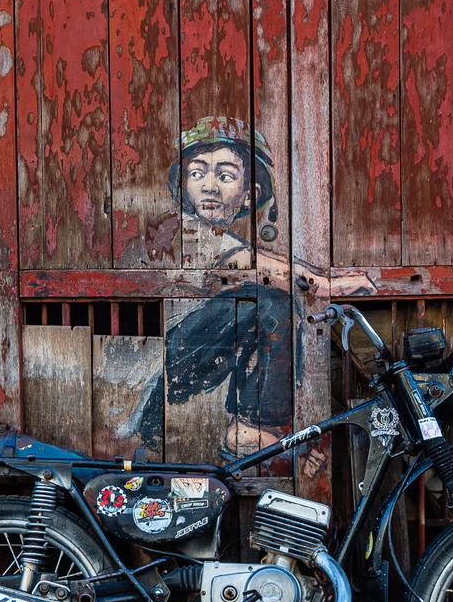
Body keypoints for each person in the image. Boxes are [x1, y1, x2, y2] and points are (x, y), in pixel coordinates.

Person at [134, 117, 369, 468]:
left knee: (260, 308)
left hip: (198, 361)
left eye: (225, 176)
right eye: (197, 174)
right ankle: (255, 426)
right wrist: (322, 283)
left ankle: (253, 431)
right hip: (175, 365)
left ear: (250, 194)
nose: (209, 186)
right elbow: (251, 264)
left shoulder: (222, 238)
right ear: (183, 185)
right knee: (270, 303)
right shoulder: (181, 228)